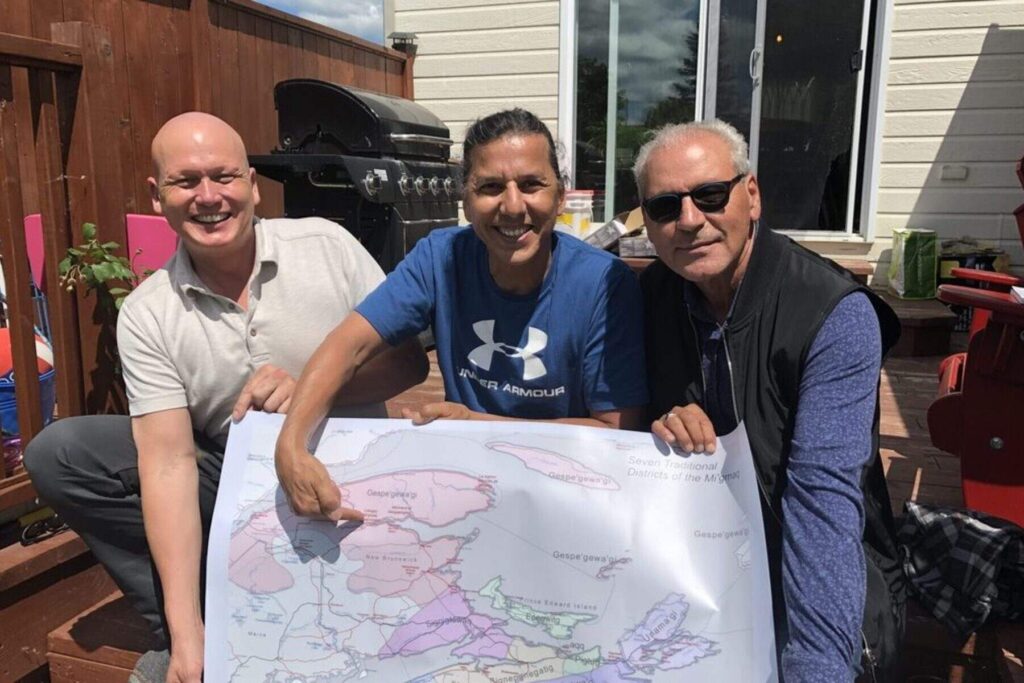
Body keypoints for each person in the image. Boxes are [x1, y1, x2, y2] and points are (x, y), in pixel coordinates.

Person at [23, 112, 428, 683]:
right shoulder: (148, 312)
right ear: (157, 195)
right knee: (61, 452)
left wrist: (309, 388)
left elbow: (408, 361)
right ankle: (196, 626)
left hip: (355, 469)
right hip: (240, 481)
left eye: (225, 177)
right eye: (186, 182)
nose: (209, 197)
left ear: (253, 185)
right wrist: (188, 638)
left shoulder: (328, 246)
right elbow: (168, 463)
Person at [274, 108, 648, 520]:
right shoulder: (440, 257)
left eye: (531, 185)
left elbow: (616, 435)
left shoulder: (604, 283)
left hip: (569, 491)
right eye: (490, 187)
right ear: (465, 201)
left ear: (559, 196)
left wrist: (477, 423)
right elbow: (349, 344)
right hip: (469, 488)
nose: (512, 206)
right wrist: (291, 442)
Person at [634, 119, 904, 681]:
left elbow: (822, 501)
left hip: (806, 570)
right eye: (664, 206)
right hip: (698, 563)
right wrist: (656, 432)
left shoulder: (834, 312)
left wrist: (816, 665)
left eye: (710, 195)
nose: (689, 220)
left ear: (751, 195)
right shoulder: (645, 298)